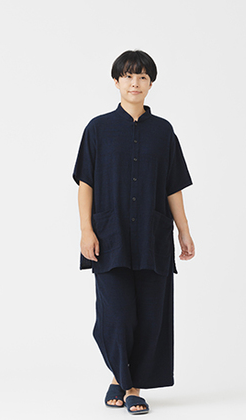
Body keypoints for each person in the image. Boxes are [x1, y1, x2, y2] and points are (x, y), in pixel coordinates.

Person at [72, 49, 195, 415]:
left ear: (151, 83)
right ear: (116, 82)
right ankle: (121, 376)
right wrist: (86, 230)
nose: (135, 83)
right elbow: (85, 184)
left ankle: (131, 385)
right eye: (128, 76)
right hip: (109, 237)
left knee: (150, 316)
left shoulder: (163, 131)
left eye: (142, 77)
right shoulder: (97, 129)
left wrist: (184, 231)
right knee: (117, 315)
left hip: (152, 238)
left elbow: (173, 186)